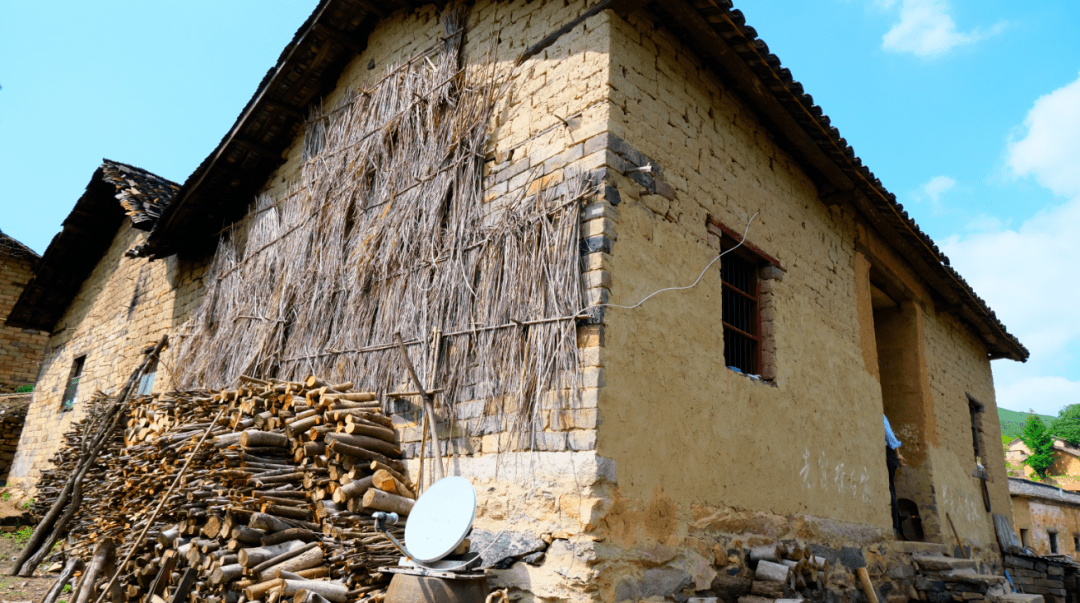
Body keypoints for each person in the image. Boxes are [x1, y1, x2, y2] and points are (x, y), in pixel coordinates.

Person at [884, 414, 907, 537]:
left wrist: (898, 454)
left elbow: (889, 436)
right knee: (890, 488)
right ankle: (895, 527)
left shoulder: (881, 416)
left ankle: (895, 527)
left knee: (890, 489)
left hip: (889, 453)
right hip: (890, 454)